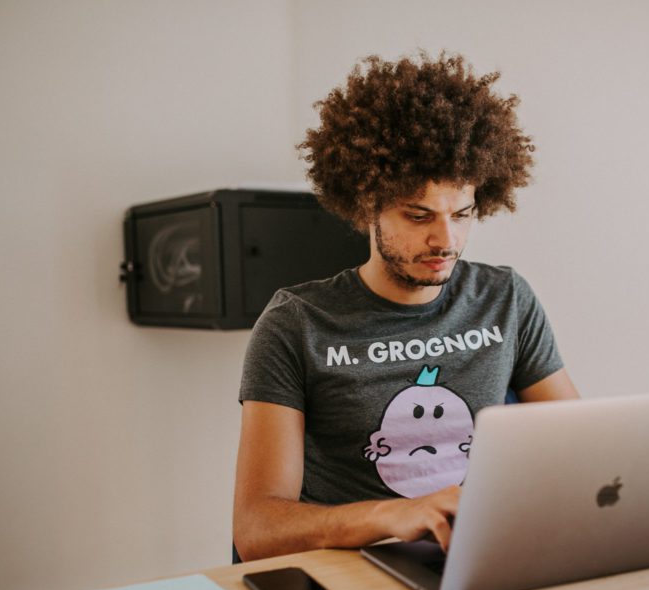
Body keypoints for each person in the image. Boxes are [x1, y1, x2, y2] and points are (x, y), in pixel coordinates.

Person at [233, 53, 579, 562]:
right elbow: (258, 528)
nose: (447, 239)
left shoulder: (505, 299)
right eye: (418, 216)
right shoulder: (296, 324)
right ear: (366, 205)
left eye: (462, 214)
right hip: (362, 568)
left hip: (481, 554)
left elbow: (581, 449)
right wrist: (388, 516)